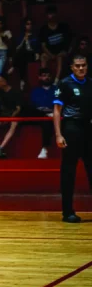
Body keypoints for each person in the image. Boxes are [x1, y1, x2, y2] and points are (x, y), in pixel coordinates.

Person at [53, 54, 92, 223]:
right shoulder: (64, 84)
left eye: (83, 65)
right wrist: (58, 134)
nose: (81, 68)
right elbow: (56, 111)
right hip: (71, 129)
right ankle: (68, 212)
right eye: (77, 65)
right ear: (71, 67)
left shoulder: (91, 83)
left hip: (89, 129)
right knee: (69, 171)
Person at [39, 5, 72, 85]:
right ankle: (44, 78)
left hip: (61, 52)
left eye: (53, 13)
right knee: (43, 56)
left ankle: (56, 81)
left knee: (59, 57)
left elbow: (71, 41)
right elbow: (43, 46)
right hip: (50, 52)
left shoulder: (63, 26)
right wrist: (50, 54)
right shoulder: (43, 29)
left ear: (56, 14)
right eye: (50, 14)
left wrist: (67, 52)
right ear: (46, 15)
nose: (52, 16)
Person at [28, 68, 57, 159]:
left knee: (47, 122)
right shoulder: (35, 90)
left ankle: (44, 149)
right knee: (29, 109)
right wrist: (44, 110)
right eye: (44, 76)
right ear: (40, 77)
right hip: (39, 114)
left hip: (52, 114)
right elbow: (34, 105)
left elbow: (59, 103)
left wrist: (51, 111)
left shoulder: (56, 89)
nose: (47, 77)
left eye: (48, 75)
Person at [0, 73, 22, 158]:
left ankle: (1, 147)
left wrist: (9, 118)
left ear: (4, 82)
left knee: (14, 123)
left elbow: (18, 108)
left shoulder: (16, 92)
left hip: (12, 115)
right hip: (1, 115)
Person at [13, 17, 40, 91]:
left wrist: (37, 53)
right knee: (22, 57)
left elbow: (36, 48)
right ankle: (22, 80)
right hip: (22, 55)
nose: (29, 26)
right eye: (27, 24)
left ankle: (14, 66)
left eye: (30, 24)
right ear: (24, 25)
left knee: (22, 55)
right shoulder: (21, 35)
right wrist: (24, 40)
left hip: (32, 54)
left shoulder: (35, 36)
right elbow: (17, 48)